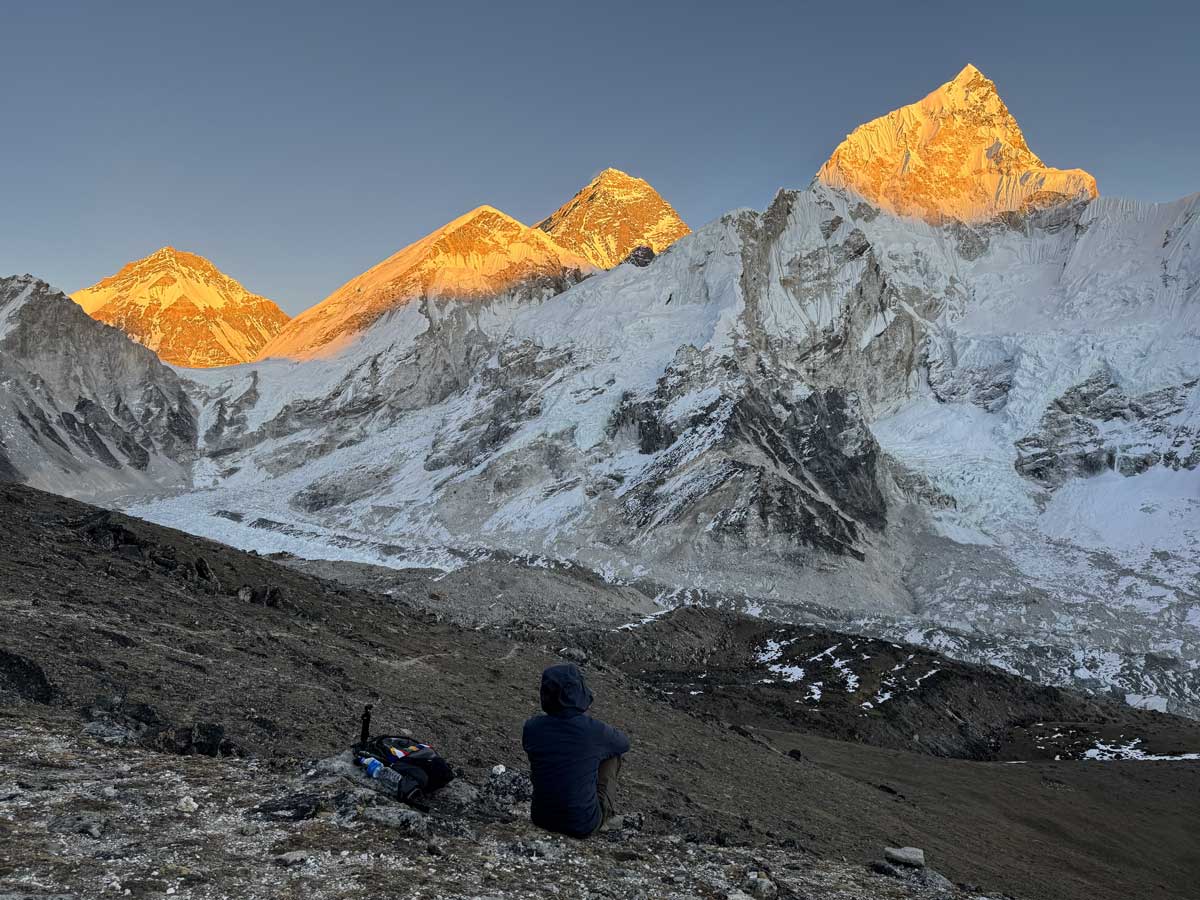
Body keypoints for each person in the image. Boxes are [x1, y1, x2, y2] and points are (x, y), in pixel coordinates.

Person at [522, 663, 630, 838]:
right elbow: (624, 743)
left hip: (541, 818)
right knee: (612, 755)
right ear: (578, 691)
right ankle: (605, 815)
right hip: (582, 824)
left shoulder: (532, 727)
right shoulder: (594, 731)